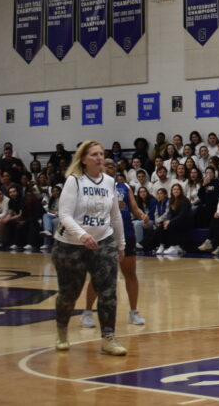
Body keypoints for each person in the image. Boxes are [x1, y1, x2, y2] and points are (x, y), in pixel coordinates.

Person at [51, 140, 126, 356]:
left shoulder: (110, 182)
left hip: (103, 242)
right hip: (70, 246)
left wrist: (121, 244)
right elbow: (64, 215)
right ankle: (62, 332)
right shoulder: (74, 181)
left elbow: (115, 215)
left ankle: (108, 338)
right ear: (83, 159)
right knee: (69, 293)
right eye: (94, 154)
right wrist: (82, 235)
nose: (99, 158)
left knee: (109, 291)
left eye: (101, 154)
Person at [82, 160, 149, 328]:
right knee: (99, 276)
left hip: (126, 233)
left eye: (113, 164)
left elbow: (134, 208)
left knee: (130, 274)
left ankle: (133, 312)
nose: (110, 166)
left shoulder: (125, 187)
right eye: (107, 164)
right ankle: (87, 313)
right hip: (104, 234)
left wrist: (142, 216)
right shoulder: (94, 187)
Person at [157, 183, 192, 256]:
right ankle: (162, 245)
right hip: (176, 220)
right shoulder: (171, 200)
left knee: (171, 224)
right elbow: (170, 214)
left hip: (185, 221)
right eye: (174, 189)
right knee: (161, 225)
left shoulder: (184, 200)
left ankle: (175, 246)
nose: (176, 191)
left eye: (178, 189)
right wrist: (166, 221)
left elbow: (182, 215)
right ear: (172, 191)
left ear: (181, 191)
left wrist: (170, 221)